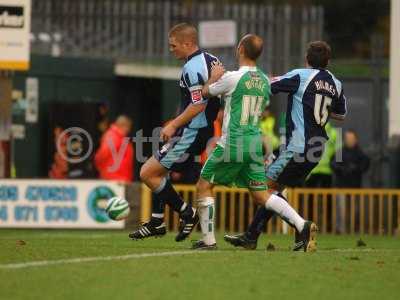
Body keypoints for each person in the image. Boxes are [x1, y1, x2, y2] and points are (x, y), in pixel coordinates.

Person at [189, 34, 317, 251]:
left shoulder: (233, 77)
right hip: (254, 143)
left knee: (204, 185)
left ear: (240, 49)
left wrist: (213, 77)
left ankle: (208, 241)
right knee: (261, 194)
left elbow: (204, 93)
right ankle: (301, 224)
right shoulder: (265, 81)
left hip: (234, 141)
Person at [224, 40, 347, 251]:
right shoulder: (336, 83)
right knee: (275, 190)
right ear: (328, 62)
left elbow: (267, 86)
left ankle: (301, 227)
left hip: (298, 145)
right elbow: (341, 114)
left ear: (307, 59)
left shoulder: (300, 75)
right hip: (317, 148)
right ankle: (253, 236)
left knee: (263, 189)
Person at [129, 23, 221, 241]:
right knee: (160, 170)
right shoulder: (212, 60)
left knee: (148, 173)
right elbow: (210, 94)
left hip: (192, 131)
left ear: (187, 43)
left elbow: (198, 104)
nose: (171, 50)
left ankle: (187, 213)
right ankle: (157, 221)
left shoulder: (191, 68)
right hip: (202, 131)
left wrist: (173, 124)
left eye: (174, 45)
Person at [331, 129, 369, 233]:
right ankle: (341, 231)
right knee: (341, 210)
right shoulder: (340, 152)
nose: (349, 140)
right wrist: (342, 169)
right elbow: (333, 164)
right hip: (341, 186)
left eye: (351, 138)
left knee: (355, 211)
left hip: (355, 187)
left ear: (356, 139)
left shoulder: (360, 153)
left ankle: (354, 230)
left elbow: (365, 165)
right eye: (347, 138)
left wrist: (355, 168)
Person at [94, 115, 134, 182]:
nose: (128, 130)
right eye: (128, 127)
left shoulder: (120, 137)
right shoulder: (113, 136)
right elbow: (102, 155)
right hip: (113, 179)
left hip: (120, 179)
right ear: (122, 125)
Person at [305, 122, 337, 187]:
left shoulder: (333, 133)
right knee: (310, 194)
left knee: (325, 194)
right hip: (313, 169)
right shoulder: (310, 130)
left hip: (326, 169)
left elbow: (337, 150)